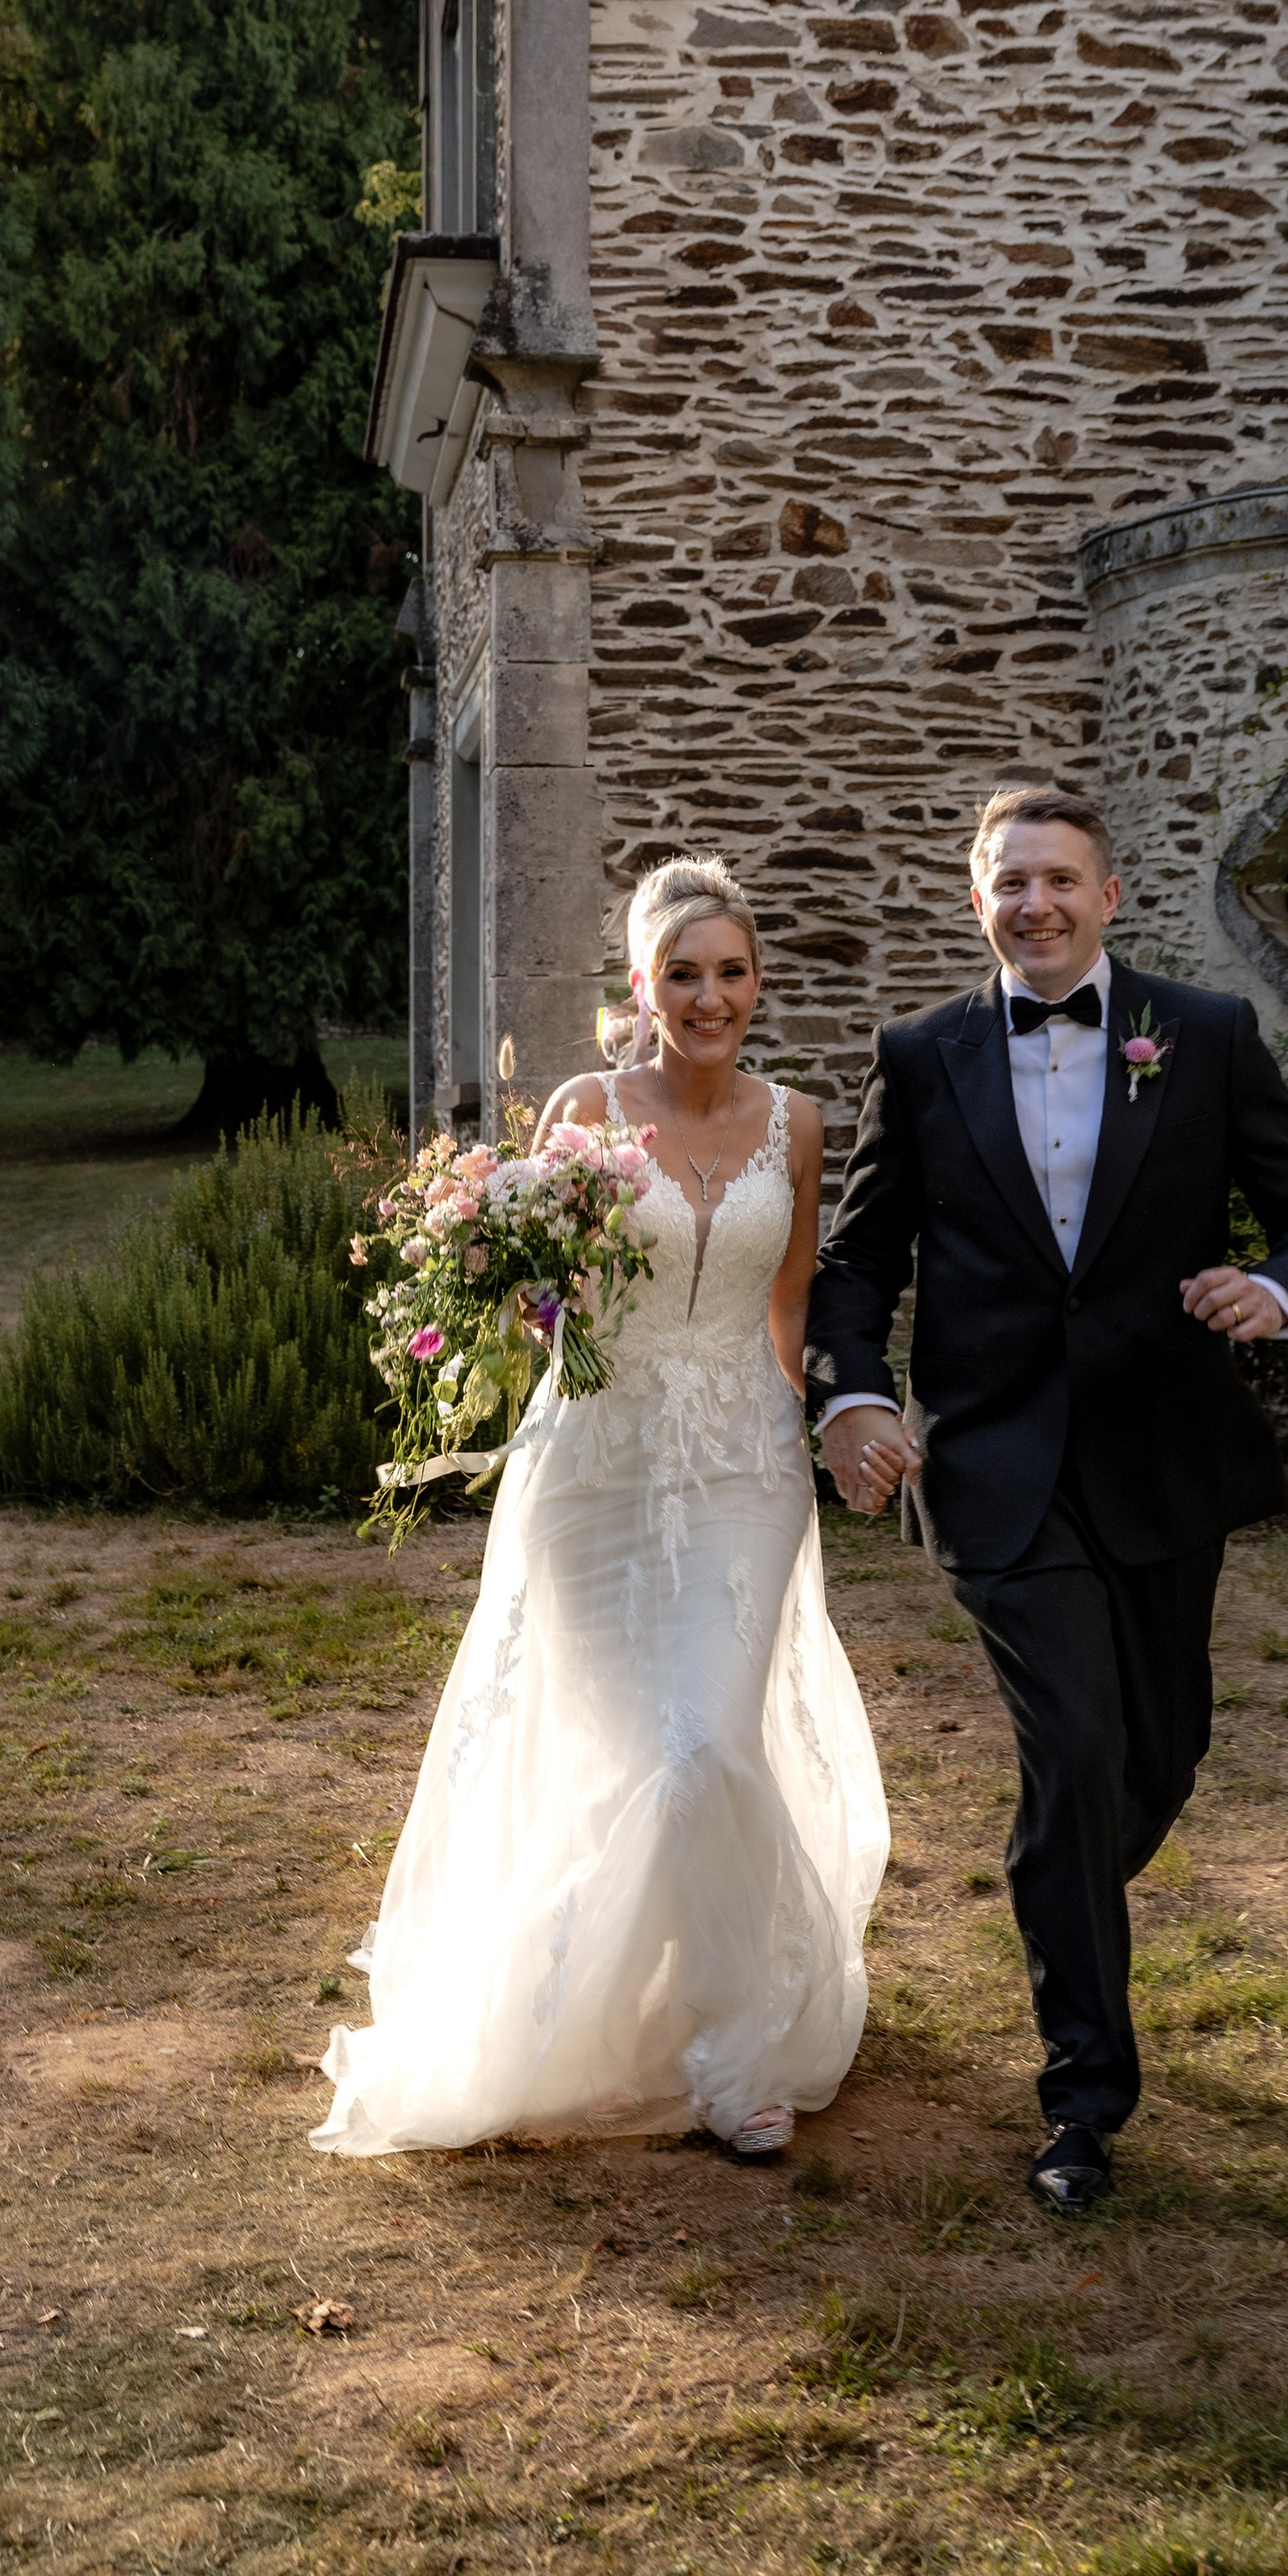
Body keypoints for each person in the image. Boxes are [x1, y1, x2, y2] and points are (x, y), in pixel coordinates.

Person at [806, 783, 1288, 2211]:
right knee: (1075, 1744)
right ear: (975, 897)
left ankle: (1066, 1891)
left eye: (1061, 881)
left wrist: (1278, 1288)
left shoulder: (1209, 1038)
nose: (1035, 905)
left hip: (1163, 1452)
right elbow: (859, 1263)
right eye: (1010, 883)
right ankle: (1082, 2102)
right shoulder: (922, 1059)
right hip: (992, 1464)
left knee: (1155, 1755)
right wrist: (856, 1392)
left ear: (1109, 898)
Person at [315, 856, 887, 2161]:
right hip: (598, 1471)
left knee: (708, 1752)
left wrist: (826, 1429)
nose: (709, 996)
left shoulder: (795, 1124)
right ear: (642, 986)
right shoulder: (581, 1110)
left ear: (757, 985)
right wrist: (510, 1304)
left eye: (732, 973)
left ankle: (736, 2045)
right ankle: (625, 2006)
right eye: (683, 974)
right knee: (633, 1757)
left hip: (743, 1468)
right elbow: (545, 1299)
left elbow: (790, 1300)